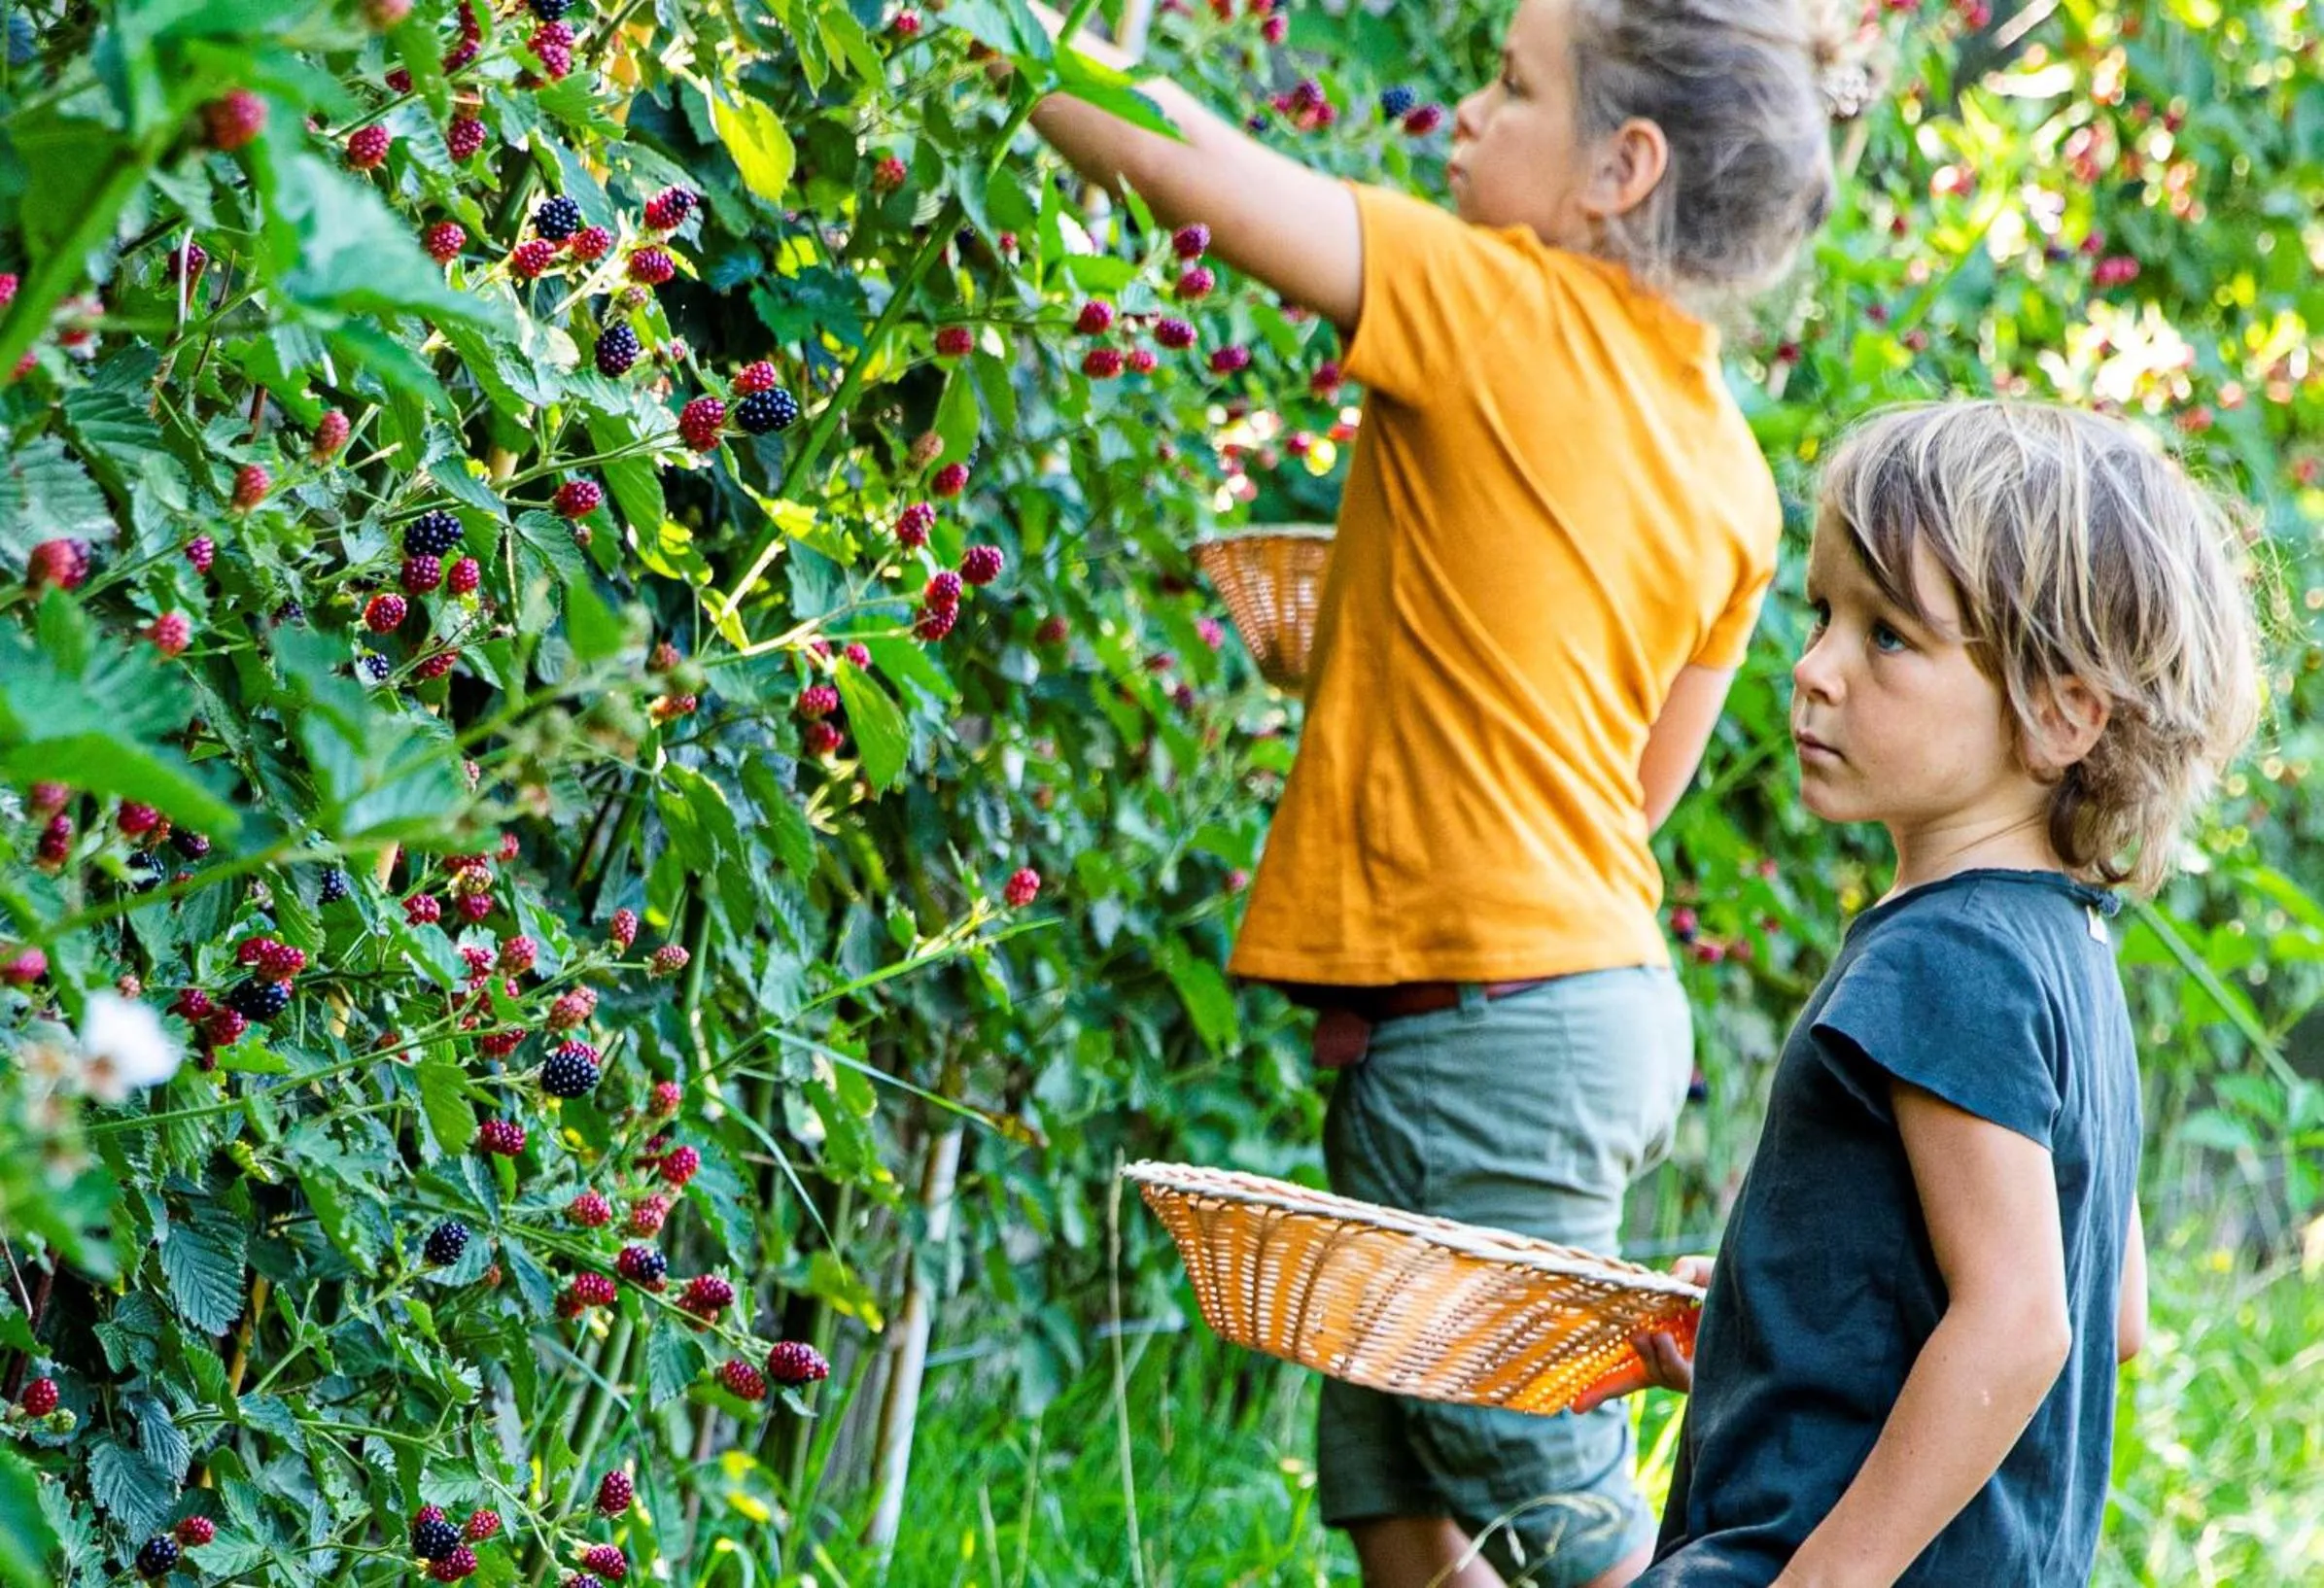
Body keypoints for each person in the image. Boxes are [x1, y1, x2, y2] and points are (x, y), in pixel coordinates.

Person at [1005, 3, 1862, 1583]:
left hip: (1489, 1028)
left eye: (1511, 85)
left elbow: (1186, 165)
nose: (1461, 115)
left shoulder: (1487, 304)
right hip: (1584, 993)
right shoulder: (1729, 467)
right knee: (1396, 1494)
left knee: (1563, 1512)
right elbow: (1628, 783)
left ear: (1623, 165)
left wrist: (1004, 36)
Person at [1573, 400, 2261, 1586]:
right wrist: (1766, 1320)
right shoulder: (2068, 950)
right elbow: (2112, 1309)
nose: (1815, 669)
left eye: (1888, 635)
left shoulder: (1942, 957)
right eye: (1824, 613)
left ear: (2060, 710)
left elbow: (2021, 1320)